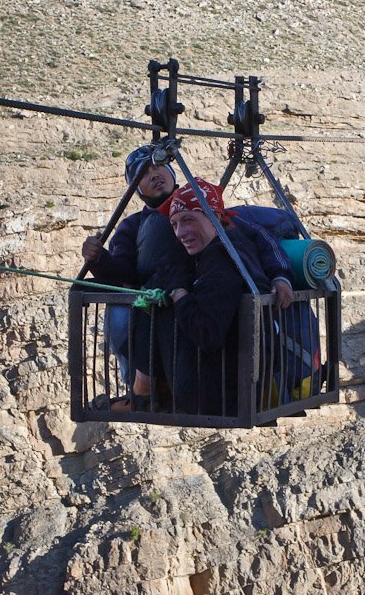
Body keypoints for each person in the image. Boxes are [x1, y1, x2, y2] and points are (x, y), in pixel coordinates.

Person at [80, 144, 294, 404]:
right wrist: (99, 259)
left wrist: (281, 276)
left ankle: (148, 391)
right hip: (176, 308)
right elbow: (123, 272)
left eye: (159, 167)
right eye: (143, 174)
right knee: (136, 310)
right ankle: (149, 386)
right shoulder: (133, 226)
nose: (154, 174)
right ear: (137, 188)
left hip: (201, 311)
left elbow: (262, 239)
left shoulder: (211, 217)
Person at [126, 179, 272, 415]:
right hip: (229, 388)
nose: (180, 232)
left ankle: (144, 388)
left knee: (155, 305)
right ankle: (147, 386)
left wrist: (180, 295)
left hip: (213, 396)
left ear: (213, 217)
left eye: (188, 220)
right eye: (174, 224)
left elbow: (208, 333)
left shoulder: (222, 259)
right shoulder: (217, 250)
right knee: (156, 286)